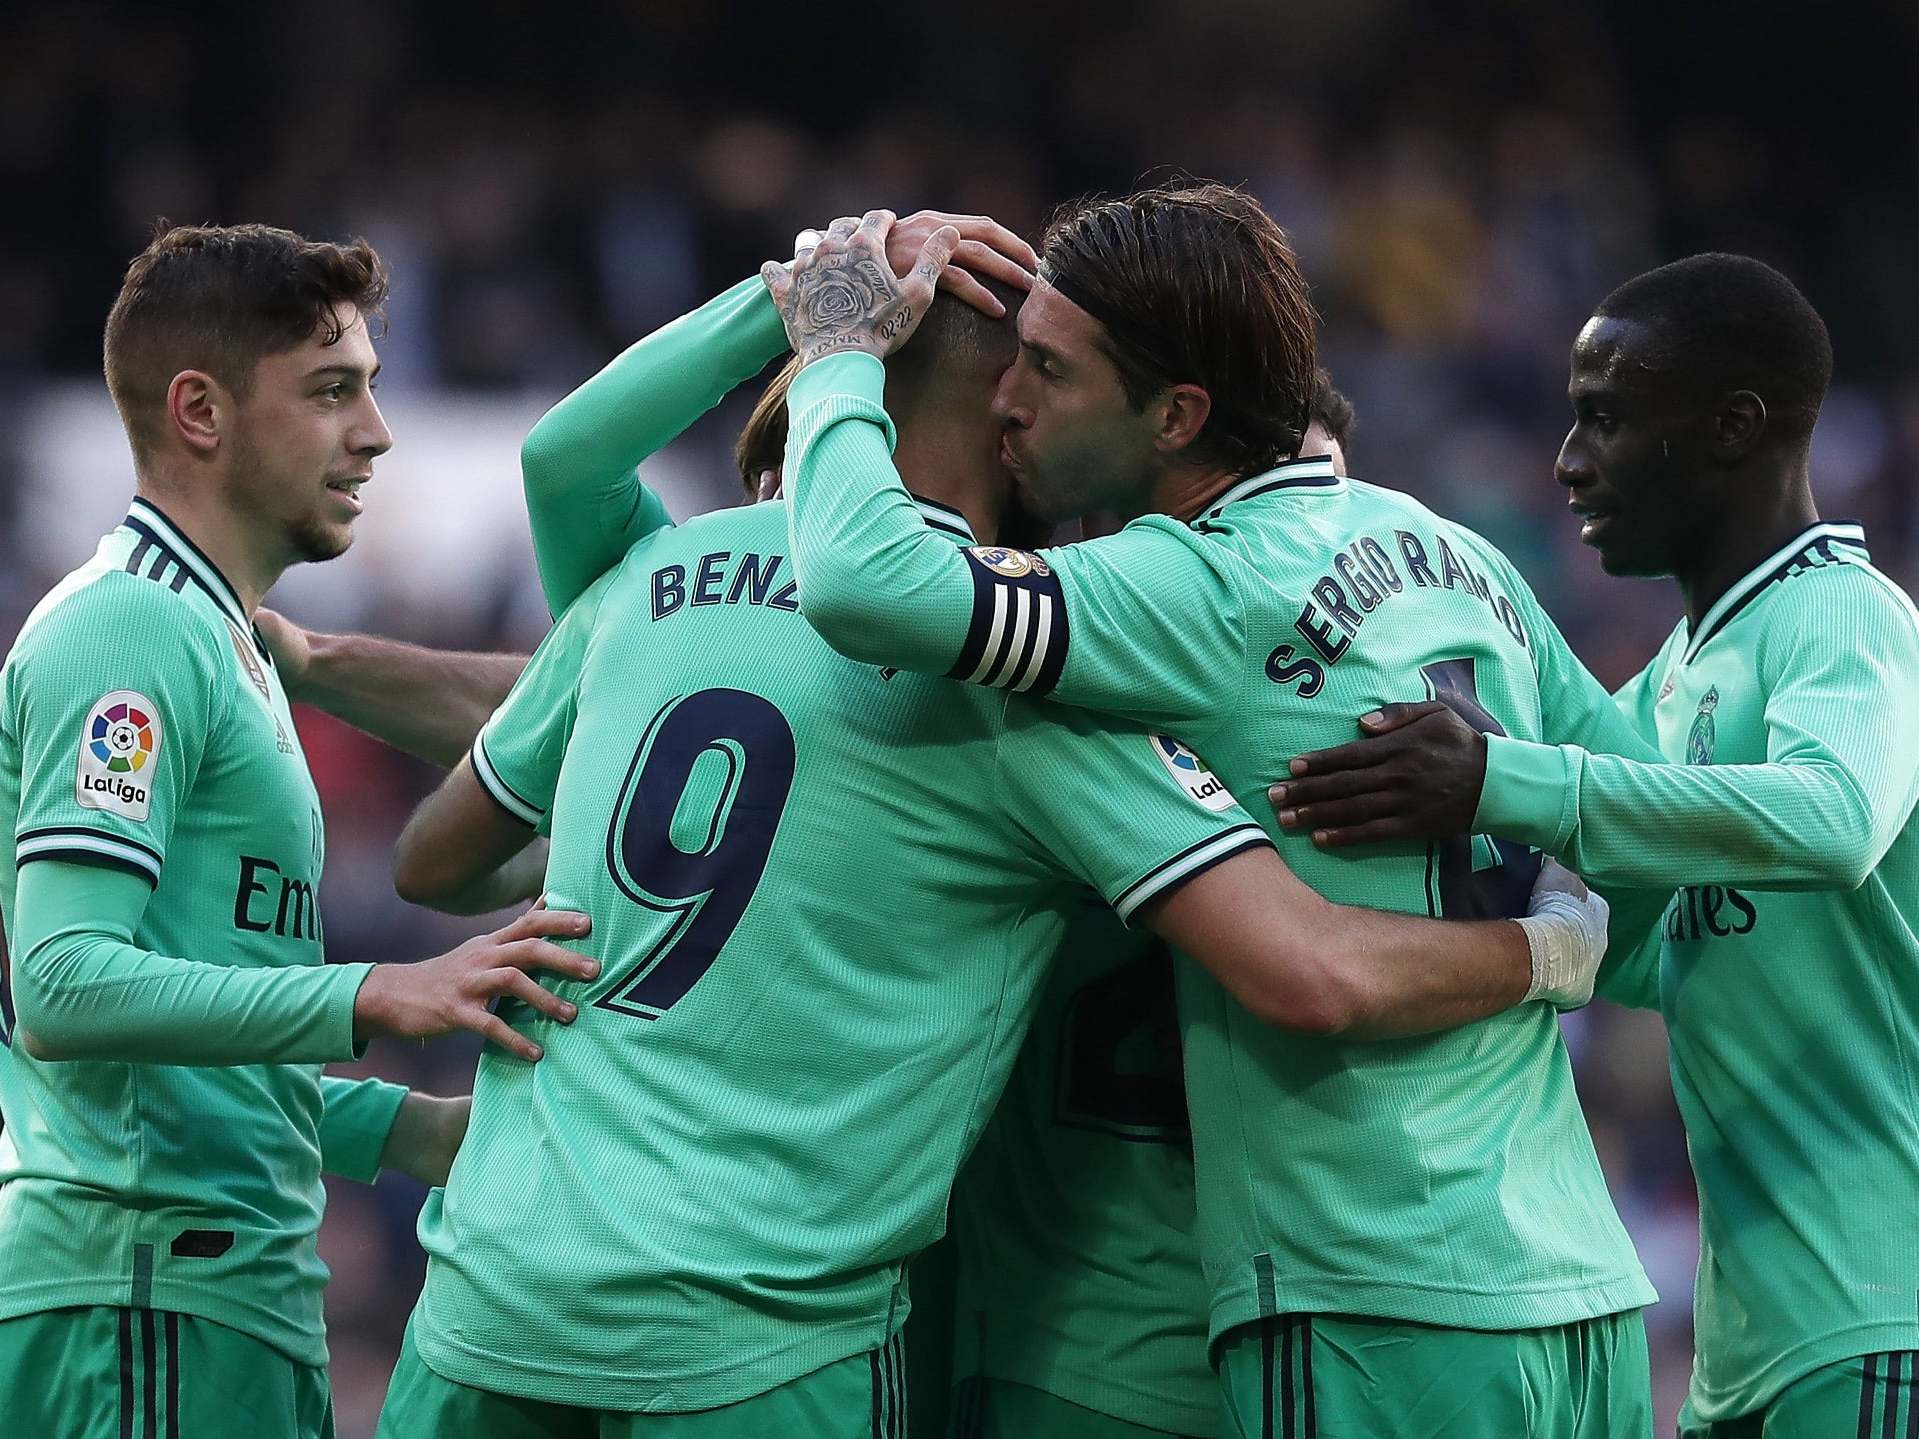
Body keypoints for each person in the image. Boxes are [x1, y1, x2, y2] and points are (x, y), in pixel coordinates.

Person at [361, 224, 1608, 1438]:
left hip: (494, 1286)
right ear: (1013, 433)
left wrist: (811, 297)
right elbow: (1309, 965)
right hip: (816, 1328)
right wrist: (1555, 948)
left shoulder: (654, 581)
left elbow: (551, 499)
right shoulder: (1033, 691)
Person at [766, 191, 1664, 1436]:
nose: (1009, 402)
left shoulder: (1184, 586)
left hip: (1352, 1286)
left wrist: (833, 347)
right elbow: (1650, 837)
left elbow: (864, 581)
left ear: (1178, 415)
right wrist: (1555, 907)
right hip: (1575, 1279)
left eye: (1045, 368)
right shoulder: (1460, 555)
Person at [1267, 253, 1919, 1439]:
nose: (1567, 460)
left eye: (1606, 419)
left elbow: (1832, 819)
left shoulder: (1840, 610)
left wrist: (1503, 777)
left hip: (1879, 1305)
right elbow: (1629, 953)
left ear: (1732, 428)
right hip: (1752, 1332)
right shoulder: (1672, 680)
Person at [0, 222, 598, 1439]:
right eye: (332, 393)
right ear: (201, 412)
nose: (374, 434)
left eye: (370, 389)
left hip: (221, 1295)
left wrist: (418, 1128)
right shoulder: (126, 631)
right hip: (143, 1295)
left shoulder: (239, 648)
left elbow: (178, 1061)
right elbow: (60, 989)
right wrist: (379, 990)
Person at [942, 371, 1359, 1439]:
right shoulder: (1320, 732)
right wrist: (1543, 948)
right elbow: (1314, 967)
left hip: (1079, 1338)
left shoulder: (1011, 717)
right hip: (1233, 1323)